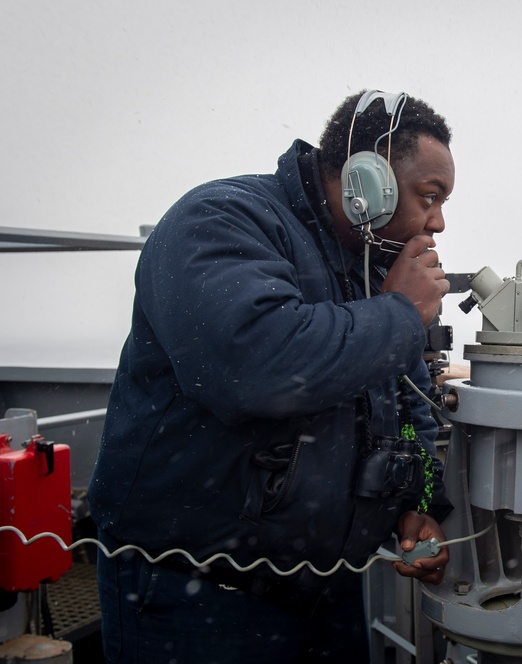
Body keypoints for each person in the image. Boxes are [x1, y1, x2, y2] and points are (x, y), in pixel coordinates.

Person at [87, 89, 456, 662]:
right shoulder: (219, 219)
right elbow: (257, 366)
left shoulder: (369, 267)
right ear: (368, 181)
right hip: (198, 597)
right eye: (429, 197)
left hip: (327, 589)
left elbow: (409, 409)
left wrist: (420, 501)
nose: (437, 221)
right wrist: (400, 313)